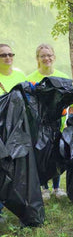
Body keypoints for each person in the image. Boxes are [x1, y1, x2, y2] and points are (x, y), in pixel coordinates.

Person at [27, 43, 69, 201]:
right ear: (37, 58)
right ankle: (44, 188)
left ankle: (57, 188)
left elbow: (67, 99)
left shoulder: (62, 76)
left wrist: (65, 109)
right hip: (39, 124)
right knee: (42, 154)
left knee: (56, 154)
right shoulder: (30, 78)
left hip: (58, 122)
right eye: (43, 55)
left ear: (54, 57)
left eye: (49, 55)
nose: (47, 58)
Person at [0, 44, 26, 222]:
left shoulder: (20, 75)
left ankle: (15, 203)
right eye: (3, 55)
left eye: (10, 54)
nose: (8, 57)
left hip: (16, 131)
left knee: (14, 167)